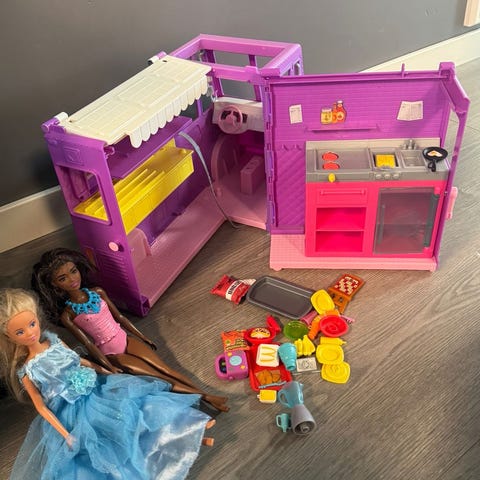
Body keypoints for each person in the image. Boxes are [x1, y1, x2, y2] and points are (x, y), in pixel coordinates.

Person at [0, 288, 215, 480]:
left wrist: (103, 370)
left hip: (95, 388)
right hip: (70, 411)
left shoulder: (53, 341)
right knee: (108, 441)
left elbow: (77, 360)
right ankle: (176, 446)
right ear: (9, 337)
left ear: (37, 318)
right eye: (20, 332)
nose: (30, 333)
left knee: (138, 407)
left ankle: (188, 430)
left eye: (32, 324)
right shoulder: (28, 370)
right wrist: (65, 434)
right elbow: (41, 407)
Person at [31, 248, 229, 413]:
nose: (72, 279)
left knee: (167, 369)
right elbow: (88, 343)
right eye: (63, 278)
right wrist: (107, 366)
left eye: (73, 271)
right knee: (160, 377)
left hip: (125, 338)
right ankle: (207, 398)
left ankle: (207, 396)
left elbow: (120, 317)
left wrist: (143, 337)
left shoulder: (97, 292)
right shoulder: (68, 315)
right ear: (55, 285)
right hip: (112, 353)